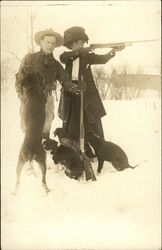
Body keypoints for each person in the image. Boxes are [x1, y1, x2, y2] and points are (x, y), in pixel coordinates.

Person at [58, 26, 125, 143]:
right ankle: (73, 145)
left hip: (86, 92)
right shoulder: (66, 56)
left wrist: (112, 52)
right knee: (72, 120)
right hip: (71, 93)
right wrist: (81, 51)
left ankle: (94, 146)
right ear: (71, 44)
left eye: (83, 44)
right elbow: (63, 58)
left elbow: (103, 59)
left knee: (90, 119)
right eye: (79, 43)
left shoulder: (87, 56)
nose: (81, 46)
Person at [15, 28, 85, 139]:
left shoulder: (56, 65)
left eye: (53, 43)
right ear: (41, 42)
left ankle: (43, 149)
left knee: (45, 130)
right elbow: (19, 79)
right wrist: (21, 96)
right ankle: (29, 153)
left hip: (47, 100)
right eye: (48, 42)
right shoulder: (29, 58)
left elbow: (66, 81)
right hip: (29, 100)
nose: (50, 45)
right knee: (29, 130)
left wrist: (76, 87)